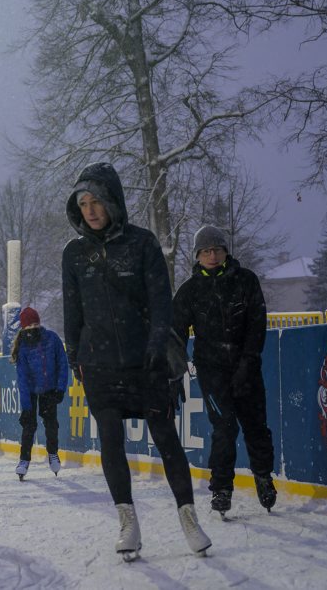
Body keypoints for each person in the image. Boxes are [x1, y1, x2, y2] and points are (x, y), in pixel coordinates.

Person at [62, 162, 210, 559]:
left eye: (97, 201)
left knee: (165, 437)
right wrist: (73, 353)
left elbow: (161, 303)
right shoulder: (74, 254)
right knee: (110, 438)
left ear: (113, 201)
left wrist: (156, 343)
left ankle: (189, 518)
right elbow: (72, 310)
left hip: (145, 361)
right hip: (99, 365)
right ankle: (127, 522)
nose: (90, 210)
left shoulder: (143, 244)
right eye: (83, 203)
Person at [172, 224, 276, 516]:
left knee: (256, 426)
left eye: (217, 249)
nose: (212, 255)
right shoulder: (190, 291)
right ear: (197, 256)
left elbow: (258, 324)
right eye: (206, 251)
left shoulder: (245, 281)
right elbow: (175, 332)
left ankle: (264, 478)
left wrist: (249, 360)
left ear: (226, 251)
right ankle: (221, 488)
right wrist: (173, 371)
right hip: (211, 371)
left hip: (247, 366)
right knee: (224, 428)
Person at [10, 306, 69, 480]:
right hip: (31, 391)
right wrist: (26, 407)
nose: (33, 328)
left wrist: (60, 389)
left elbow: (62, 365)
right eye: (29, 326)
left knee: (51, 423)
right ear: (23, 328)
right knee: (29, 426)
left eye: (35, 323)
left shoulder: (52, 339)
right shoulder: (23, 347)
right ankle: (24, 460)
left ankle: (52, 453)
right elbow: (22, 378)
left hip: (50, 389)